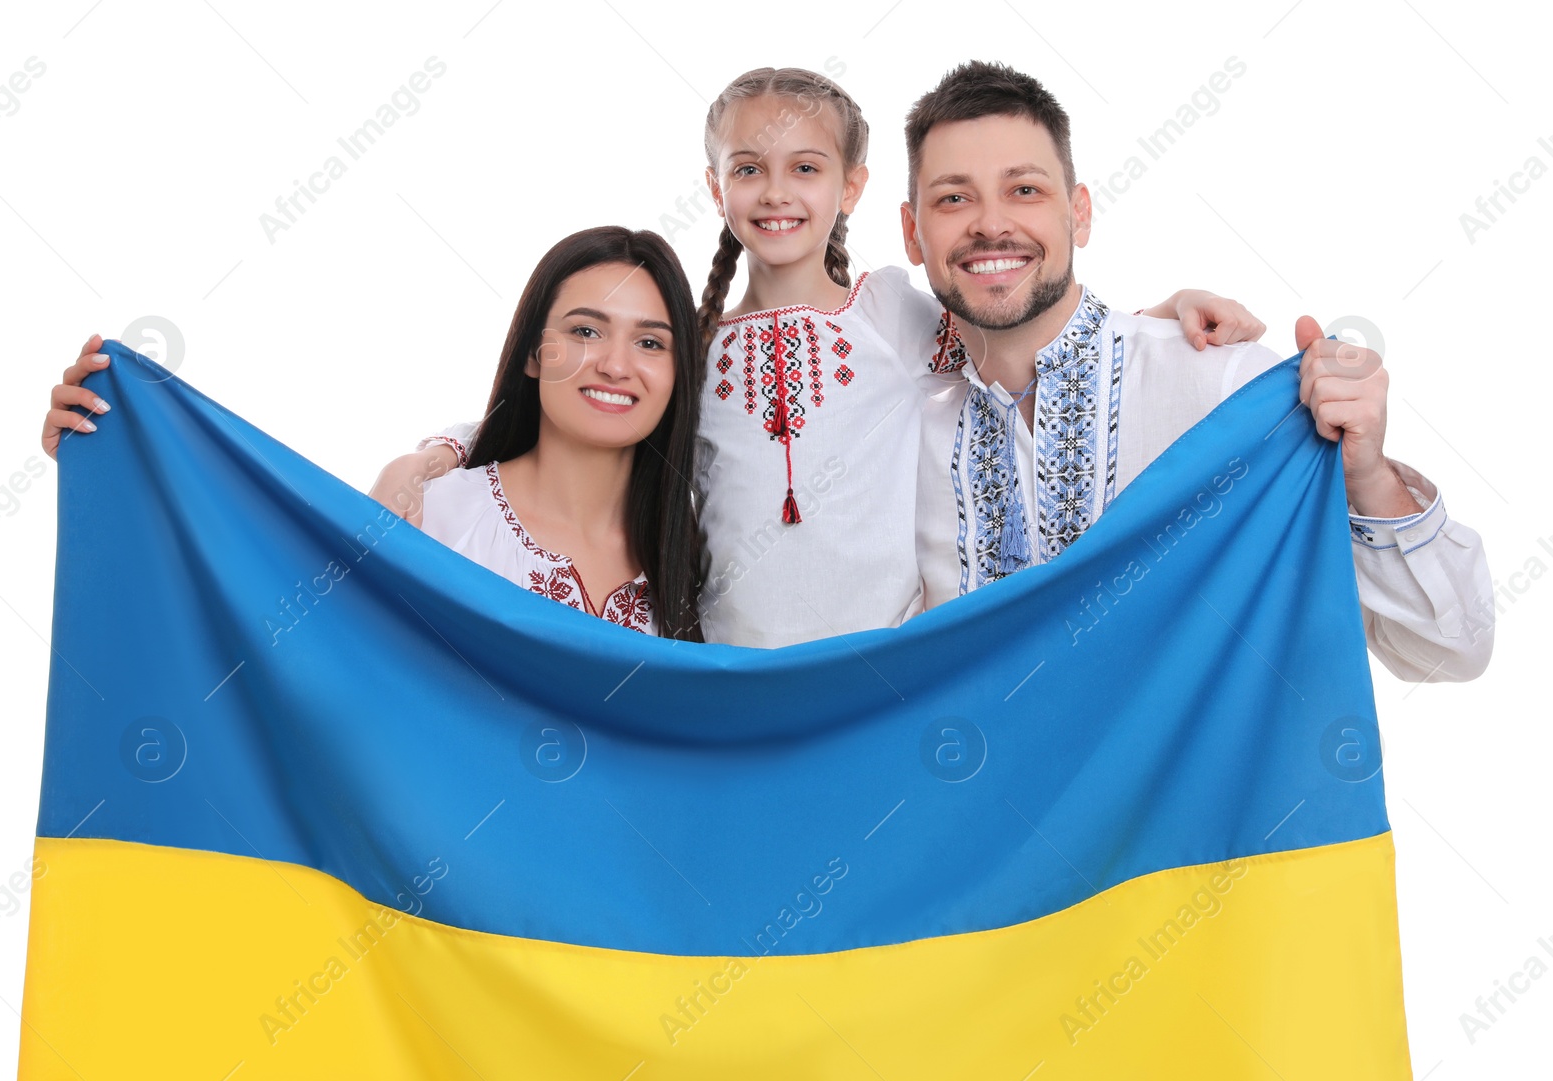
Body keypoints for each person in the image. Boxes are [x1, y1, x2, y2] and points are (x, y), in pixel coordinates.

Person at [377, 67, 1259, 648]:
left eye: (805, 167)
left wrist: (1157, 314)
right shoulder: (692, 343)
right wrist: (438, 454)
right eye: (749, 169)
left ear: (853, 188)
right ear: (715, 187)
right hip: (733, 674)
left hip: (882, 676)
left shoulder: (894, 313)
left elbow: (1016, 330)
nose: (776, 192)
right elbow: (587, 406)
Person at [900, 61, 1492, 681]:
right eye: (953, 197)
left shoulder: (1224, 387)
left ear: (1079, 212)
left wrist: (1367, 476)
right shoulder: (902, 435)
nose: (991, 224)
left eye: (1025, 189)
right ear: (913, 234)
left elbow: (1452, 651)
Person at [43, 226, 706, 641]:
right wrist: (116, 467)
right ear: (534, 353)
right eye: (585, 331)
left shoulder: (693, 548)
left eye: (651, 342)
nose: (616, 364)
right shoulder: (430, 517)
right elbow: (281, 634)